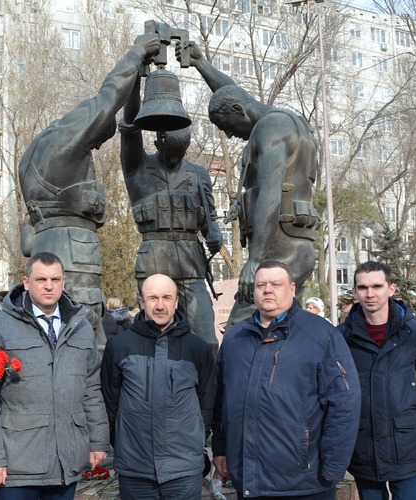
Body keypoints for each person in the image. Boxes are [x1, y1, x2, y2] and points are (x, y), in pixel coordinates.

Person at [18, 33, 161, 346]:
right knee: (85, 334)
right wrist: (137, 54)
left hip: (45, 243)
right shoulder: (67, 142)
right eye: (97, 139)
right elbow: (108, 97)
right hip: (73, 251)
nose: (96, 144)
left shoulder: (31, 155)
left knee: (49, 334)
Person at [179, 42, 321, 328]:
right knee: (286, 333)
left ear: (237, 110)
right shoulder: (288, 121)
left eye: (226, 126)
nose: (229, 135)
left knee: (238, 334)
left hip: (278, 252)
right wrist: (201, 64)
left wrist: (255, 261)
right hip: (298, 245)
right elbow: (235, 96)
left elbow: (270, 193)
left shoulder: (269, 129)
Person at [212, 261, 361, 499]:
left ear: (292, 289)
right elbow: (222, 401)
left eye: (275, 284)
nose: (268, 290)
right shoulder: (235, 338)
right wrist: (220, 448)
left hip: (303, 481)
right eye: (261, 284)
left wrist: (334, 465)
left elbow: (344, 403)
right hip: (250, 481)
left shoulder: (321, 335)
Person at [0, 252, 109, 500]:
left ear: (63, 282)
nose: (49, 286)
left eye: (55, 279)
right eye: (41, 279)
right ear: (26, 282)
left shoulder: (80, 326)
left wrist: (99, 441)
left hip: (66, 461)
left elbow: (91, 388)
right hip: (17, 467)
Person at [119, 74, 223, 349]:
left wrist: (215, 235)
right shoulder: (138, 168)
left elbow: (210, 220)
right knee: (151, 341)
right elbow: (130, 128)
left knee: (206, 339)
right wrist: (134, 82)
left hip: (191, 262)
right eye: (170, 152)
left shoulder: (199, 175)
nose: (175, 159)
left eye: (181, 153)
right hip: (154, 258)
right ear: (157, 141)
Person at [101, 273, 216, 499]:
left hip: (183, 471)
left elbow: (208, 401)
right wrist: (123, 442)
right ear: (141, 302)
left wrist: (196, 441)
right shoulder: (119, 346)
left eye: (167, 298)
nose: (160, 305)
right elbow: (110, 402)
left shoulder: (197, 348)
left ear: (176, 302)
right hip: (136, 470)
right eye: (153, 298)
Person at [338, 261, 416, 500]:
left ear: (391, 289)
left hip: (408, 445)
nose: (370, 293)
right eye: (363, 287)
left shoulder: (415, 331)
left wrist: (408, 415)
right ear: (354, 292)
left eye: (377, 286)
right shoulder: (342, 336)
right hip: (364, 446)